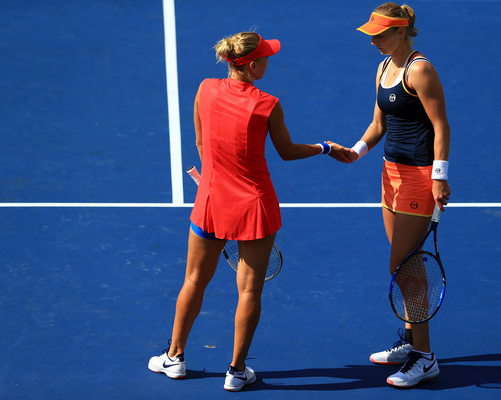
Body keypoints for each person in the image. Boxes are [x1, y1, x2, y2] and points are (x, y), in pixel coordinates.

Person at [148, 31, 354, 392]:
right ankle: (236, 371)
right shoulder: (268, 104)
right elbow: (287, 151)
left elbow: (200, 142)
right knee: (249, 292)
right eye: (266, 58)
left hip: (210, 201)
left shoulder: (205, 89)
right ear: (253, 64)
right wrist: (325, 147)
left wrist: (214, 177)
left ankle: (175, 358)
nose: (269, 62)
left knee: (194, 279)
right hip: (254, 207)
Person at [343, 2, 452, 388]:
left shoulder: (419, 69)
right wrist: (355, 151)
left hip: (420, 178)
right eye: (371, 34)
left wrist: (439, 177)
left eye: (380, 34)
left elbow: (441, 126)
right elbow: (378, 124)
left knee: (403, 266)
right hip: (391, 176)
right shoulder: (383, 67)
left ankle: (425, 358)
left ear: (401, 31)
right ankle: (410, 341)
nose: (373, 41)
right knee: (408, 266)